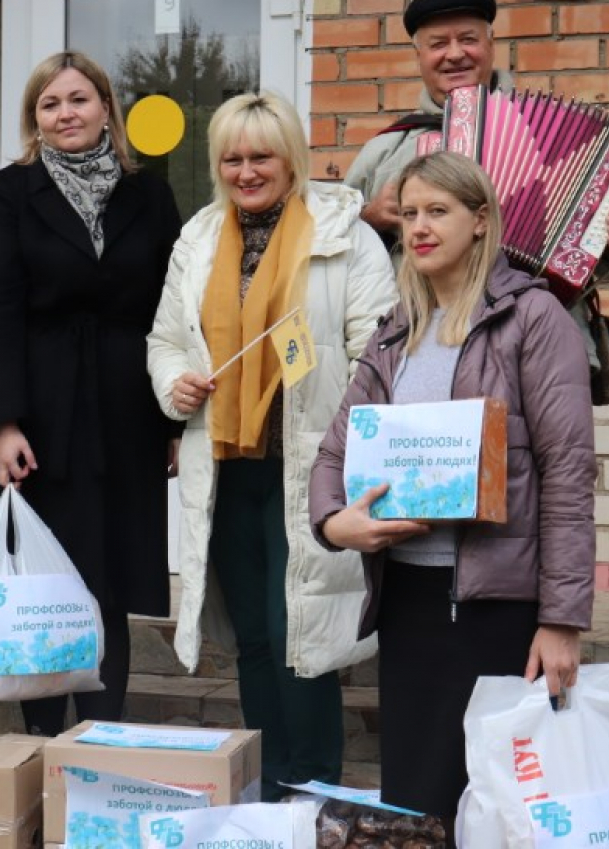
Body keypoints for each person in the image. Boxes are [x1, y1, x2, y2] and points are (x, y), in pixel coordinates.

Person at [311, 152, 596, 841]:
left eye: (437, 211)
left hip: (497, 608)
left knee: (497, 806)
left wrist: (562, 617)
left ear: (481, 220)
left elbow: (567, 470)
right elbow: (333, 453)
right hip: (408, 603)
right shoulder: (393, 331)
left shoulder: (533, 318)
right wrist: (333, 522)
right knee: (417, 805)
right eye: (408, 213)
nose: (419, 227)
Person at [146, 91, 398, 799]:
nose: (246, 170)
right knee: (255, 634)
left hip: (310, 466)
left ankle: (317, 786)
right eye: (231, 158)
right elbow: (165, 338)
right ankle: (268, 782)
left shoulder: (346, 232)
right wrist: (177, 385)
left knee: (303, 634)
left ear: (291, 158)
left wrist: (336, 427)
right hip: (226, 465)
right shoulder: (198, 237)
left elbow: (378, 352)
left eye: (261, 156)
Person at [0, 50, 182, 737]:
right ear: (35, 118)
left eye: (79, 99)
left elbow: (173, 308)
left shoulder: (149, 191)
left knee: (106, 582)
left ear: (106, 108)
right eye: (50, 103)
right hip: (38, 411)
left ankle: (100, 738)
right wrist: (4, 421)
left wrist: (173, 418)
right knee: (43, 581)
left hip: (125, 405)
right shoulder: (9, 190)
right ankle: (39, 741)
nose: (67, 113)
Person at [344, 0, 609, 366]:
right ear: (419, 55)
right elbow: (337, 254)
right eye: (438, 43)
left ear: (491, 45)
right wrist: (369, 222)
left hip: (539, 348)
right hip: (424, 347)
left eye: (469, 39)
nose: (455, 54)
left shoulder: (560, 133)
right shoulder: (387, 151)